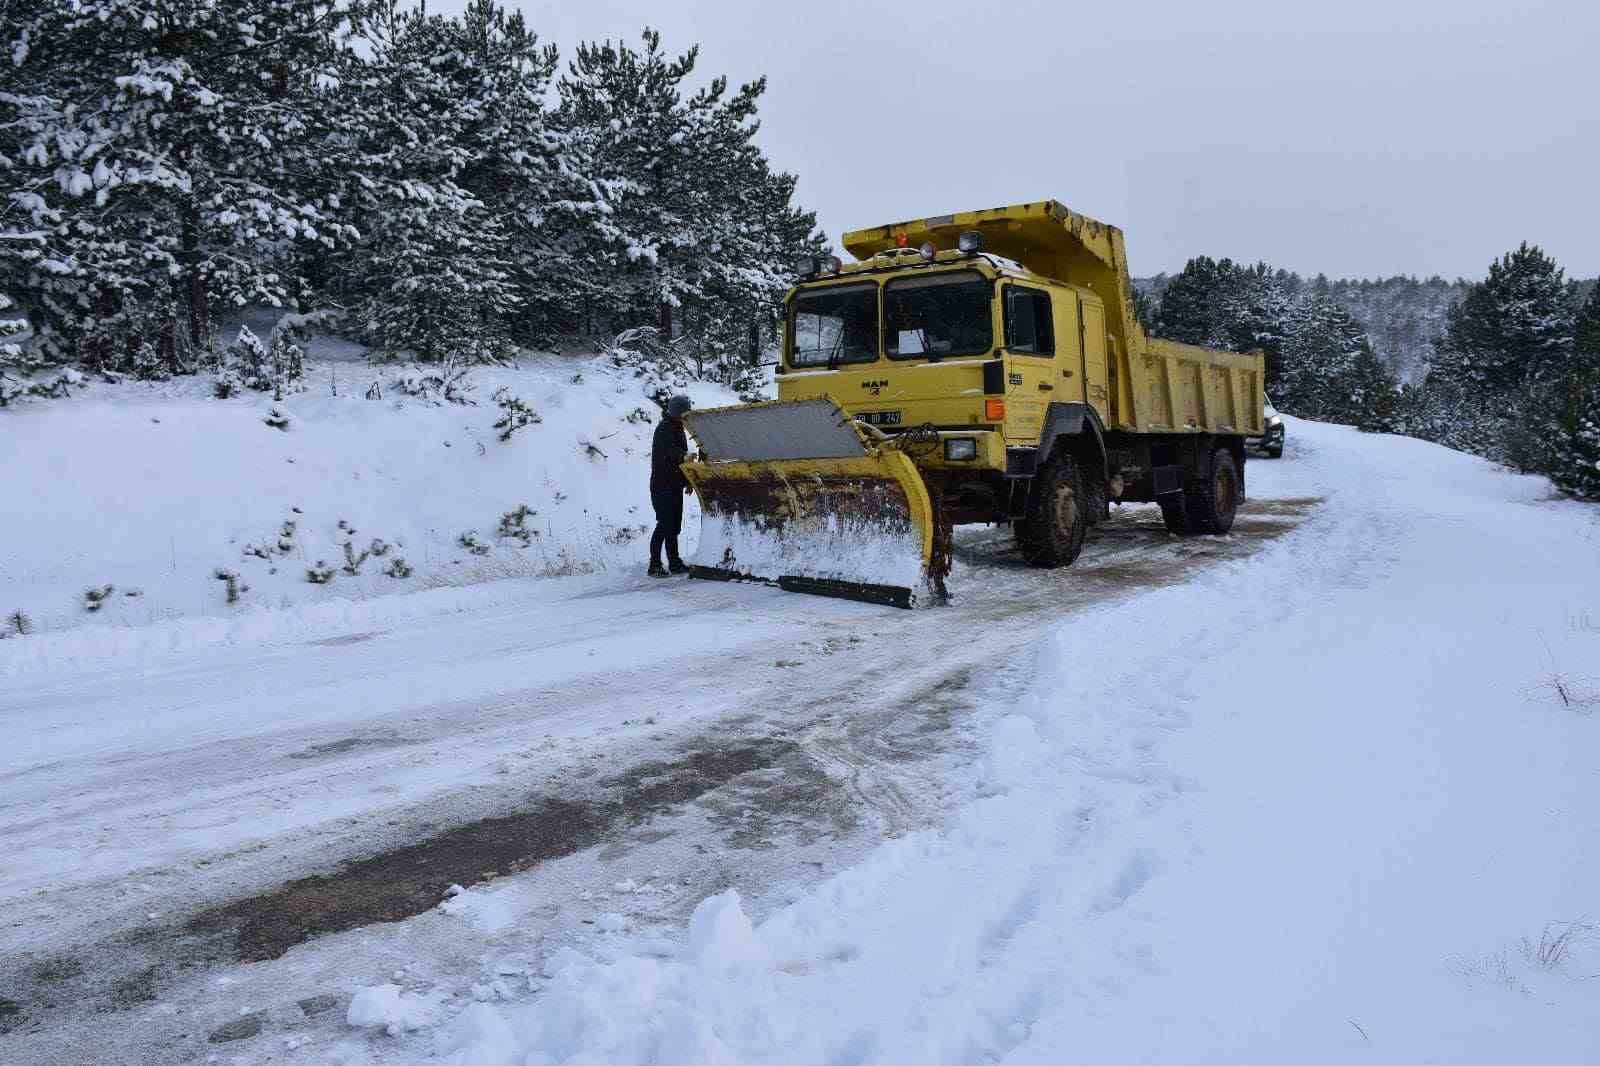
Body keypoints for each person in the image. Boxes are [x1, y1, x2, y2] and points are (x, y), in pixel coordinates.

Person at [648, 394, 693, 576]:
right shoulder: (664, 429)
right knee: (664, 525)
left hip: (674, 485)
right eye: (684, 412)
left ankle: (674, 562)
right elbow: (669, 453)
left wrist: (688, 482)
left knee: (674, 526)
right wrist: (684, 456)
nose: (686, 416)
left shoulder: (678, 428)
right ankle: (655, 564)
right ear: (677, 412)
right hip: (662, 486)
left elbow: (678, 460)